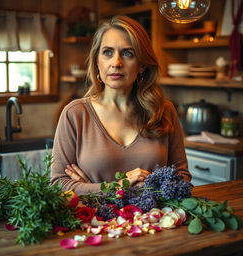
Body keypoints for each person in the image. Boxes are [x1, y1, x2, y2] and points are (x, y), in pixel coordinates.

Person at [51, 15, 191, 195]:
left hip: (154, 221)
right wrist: (116, 187)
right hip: (94, 222)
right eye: (107, 52)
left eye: (127, 53)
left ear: (141, 65)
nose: (116, 63)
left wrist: (90, 188)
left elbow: (182, 177)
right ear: (97, 61)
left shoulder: (164, 111)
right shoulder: (75, 114)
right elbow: (58, 184)